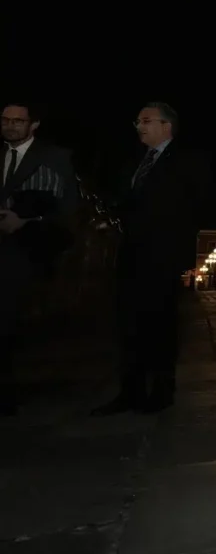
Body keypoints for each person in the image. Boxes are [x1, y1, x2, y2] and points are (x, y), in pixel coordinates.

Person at [92, 102, 211, 415]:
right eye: (137, 121)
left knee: (160, 323)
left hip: (162, 256)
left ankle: (160, 390)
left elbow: (191, 207)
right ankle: (129, 390)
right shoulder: (136, 161)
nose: (139, 127)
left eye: (146, 121)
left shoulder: (186, 161)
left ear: (166, 126)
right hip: (130, 253)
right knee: (128, 323)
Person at [0, 102, 78, 416]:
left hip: (24, 248)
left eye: (18, 121)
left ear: (34, 125)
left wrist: (25, 222)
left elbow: (66, 209)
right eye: (5, 121)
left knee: (7, 319)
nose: (10, 126)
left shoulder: (56, 157)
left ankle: (6, 392)